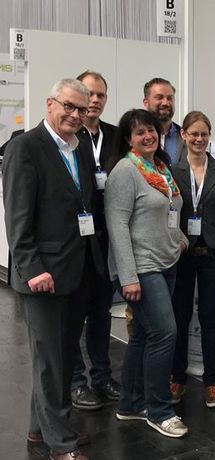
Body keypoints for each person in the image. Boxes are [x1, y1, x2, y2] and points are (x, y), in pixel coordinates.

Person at [3, 78, 105, 460]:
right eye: (69, 106)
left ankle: (38, 429)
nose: (75, 115)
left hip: (77, 269)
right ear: (50, 104)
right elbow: (17, 218)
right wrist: (32, 268)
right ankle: (60, 442)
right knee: (50, 360)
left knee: (62, 355)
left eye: (82, 109)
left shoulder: (81, 148)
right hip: (43, 274)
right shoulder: (25, 147)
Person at [105, 109, 189, 438]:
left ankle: (130, 404)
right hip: (140, 268)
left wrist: (180, 239)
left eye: (151, 130)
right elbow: (117, 225)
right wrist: (127, 277)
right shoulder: (125, 171)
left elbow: (170, 211)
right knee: (165, 334)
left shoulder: (161, 169)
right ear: (128, 139)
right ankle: (160, 411)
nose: (148, 136)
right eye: (139, 132)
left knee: (143, 335)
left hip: (166, 262)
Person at [170, 111, 215, 407]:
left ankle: (211, 382)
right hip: (181, 253)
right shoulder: (172, 170)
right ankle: (177, 378)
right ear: (183, 135)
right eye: (193, 133)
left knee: (209, 318)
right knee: (179, 317)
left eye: (204, 134)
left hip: (212, 253)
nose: (199, 139)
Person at [70, 70, 120, 411]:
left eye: (101, 94)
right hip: (76, 240)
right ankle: (76, 381)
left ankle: (102, 376)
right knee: (74, 314)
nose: (95, 100)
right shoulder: (69, 136)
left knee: (102, 312)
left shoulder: (115, 136)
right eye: (89, 93)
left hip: (106, 237)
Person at [143, 77, 183, 165]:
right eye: (159, 97)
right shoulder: (135, 138)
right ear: (146, 102)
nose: (165, 103)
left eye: (170, 98)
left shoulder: (185, 137)